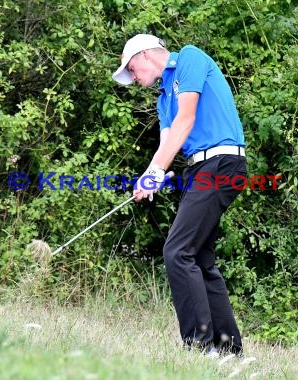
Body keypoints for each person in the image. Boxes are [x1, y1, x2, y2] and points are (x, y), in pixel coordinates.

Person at [112, 34, 247, 357]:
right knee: (199, 259)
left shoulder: (189, 59)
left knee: (177, 251)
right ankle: (230, 350)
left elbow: (186, 120)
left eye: (131, 69)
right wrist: (149, 177)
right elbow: (167, 144)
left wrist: (157, 172)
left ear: (145, 56)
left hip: (222, 162)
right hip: (199, 170)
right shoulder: (162, 98)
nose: (133, 78)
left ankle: (200, 347)